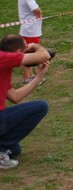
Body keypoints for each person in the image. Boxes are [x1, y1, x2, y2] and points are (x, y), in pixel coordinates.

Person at [0, 34, 51, 169]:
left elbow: (15, 97)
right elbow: (45, 55)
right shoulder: (2, 58)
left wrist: (38, 77)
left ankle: (2, 149)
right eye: (26, 49)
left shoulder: (4, 66)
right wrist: (35, 46)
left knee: (15, 150)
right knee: (41, 106)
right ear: (18, 53)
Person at [18, 0, 43, 84]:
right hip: (31, 31)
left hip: (26, 29)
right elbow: (36, 9)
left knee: (27, 53)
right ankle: (29, 77)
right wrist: (39, 13)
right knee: (31, 54)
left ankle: (30, 76)